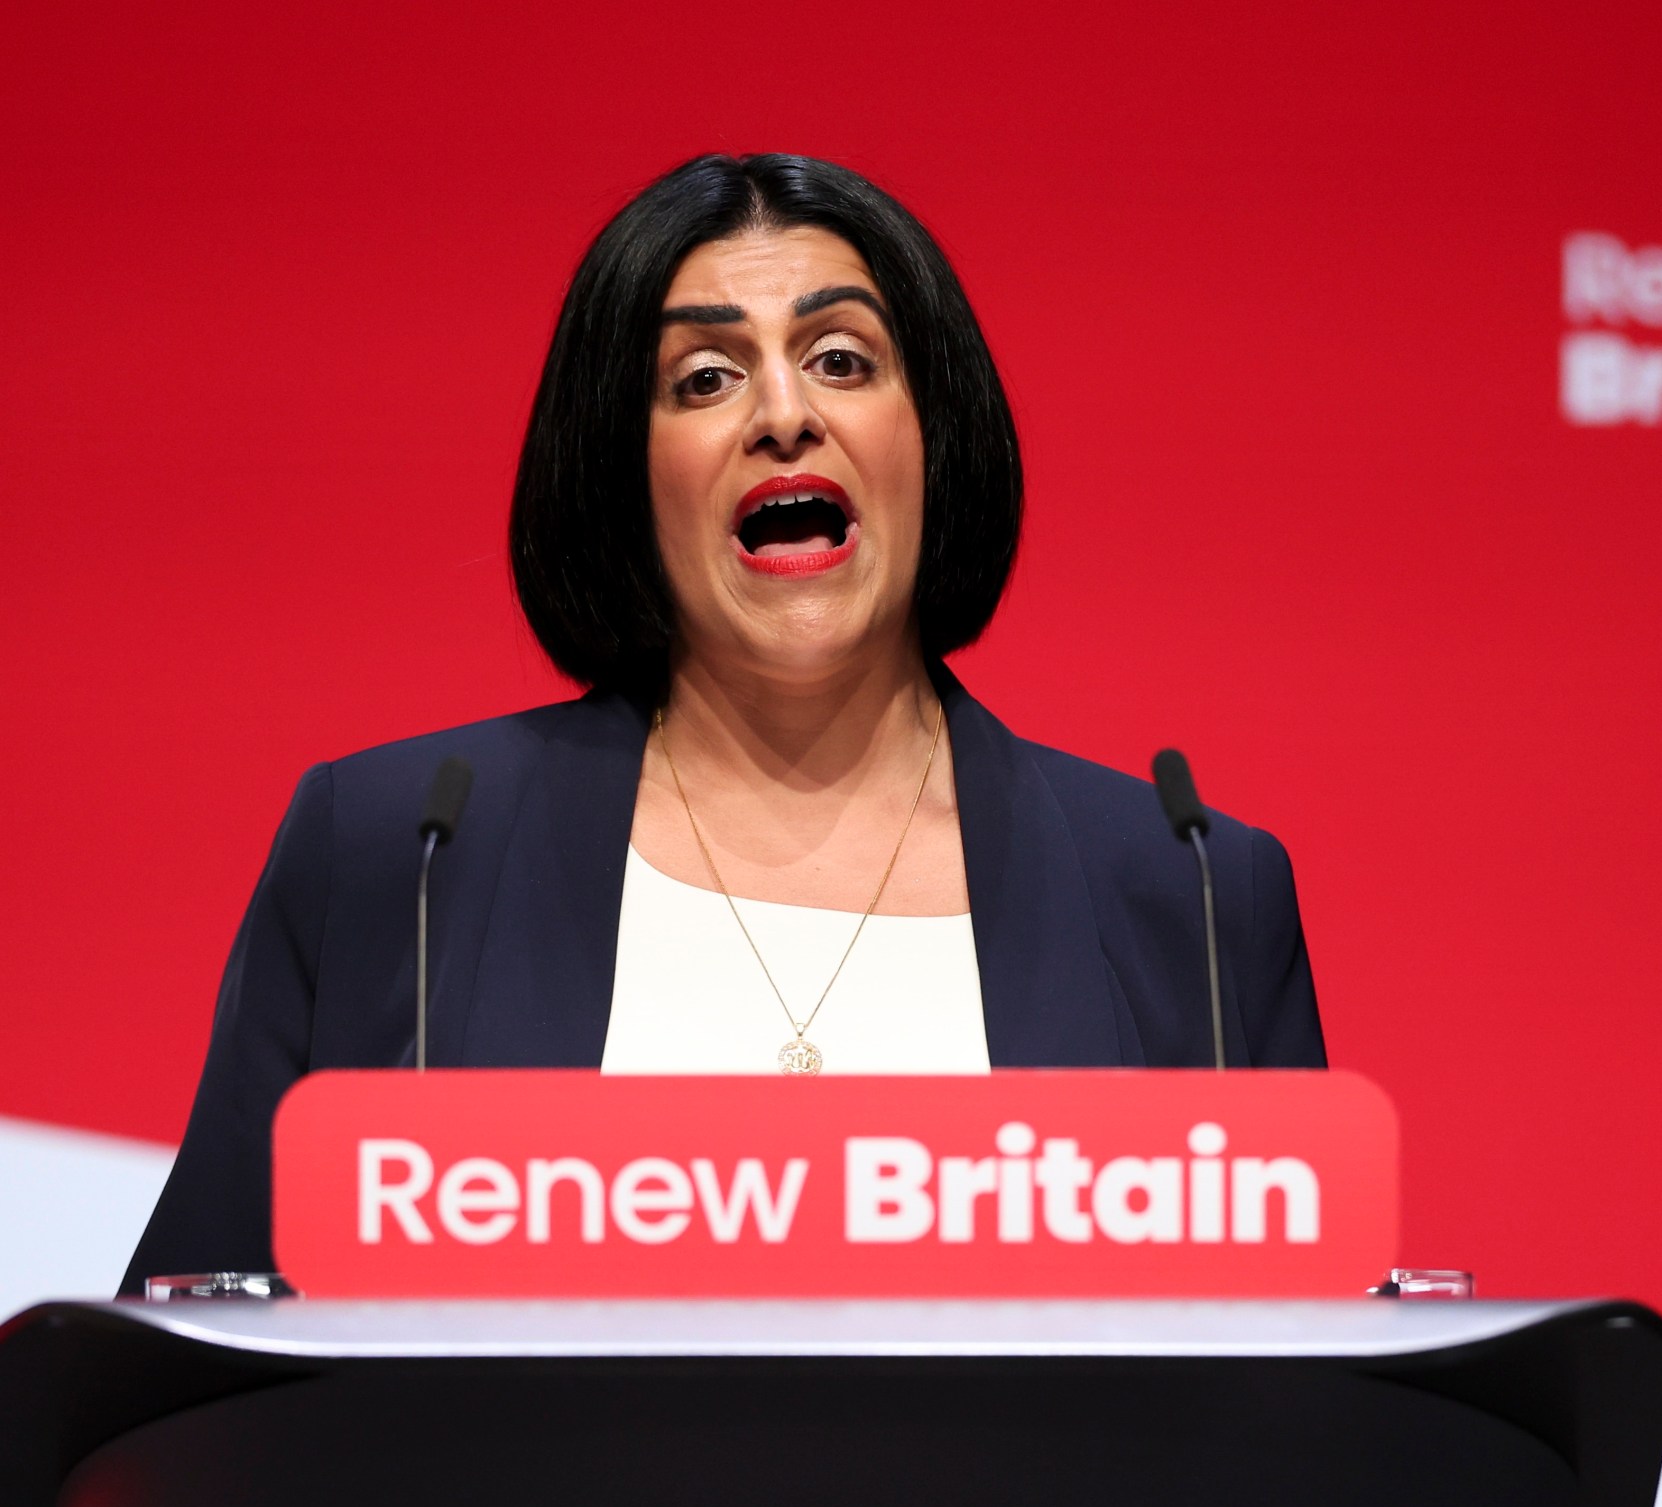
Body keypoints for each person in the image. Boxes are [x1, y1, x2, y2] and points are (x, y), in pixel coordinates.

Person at [121, 151, 1327, 1294]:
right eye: (704, 378)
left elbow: (1301, 1399)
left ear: (935, 436)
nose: (784, 414)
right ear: (620, 469)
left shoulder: (1191, 895)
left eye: (843, 359)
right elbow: (191, 1366)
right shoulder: (403, 856)